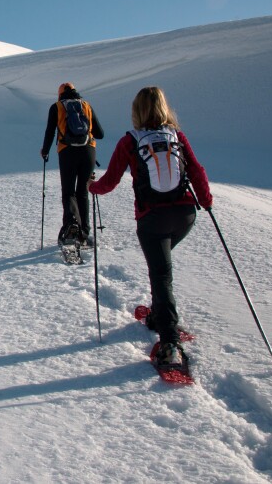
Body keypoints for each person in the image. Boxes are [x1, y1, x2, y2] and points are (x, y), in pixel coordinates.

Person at [88, 86, 213, 367]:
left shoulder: (130, 141)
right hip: (185, 215)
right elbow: (196, 170)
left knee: (161, 273)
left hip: (152, 219)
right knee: (161, 268)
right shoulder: (177, 137)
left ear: (137, 111)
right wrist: (205, 201)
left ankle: (170, 342)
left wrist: (91, 187)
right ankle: (159, 314)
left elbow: (110, 181)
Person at [41, 82, 105, 246]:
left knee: (68, 191)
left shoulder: (57, 107)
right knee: (82, 191)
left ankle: (70, 227)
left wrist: (45, 150)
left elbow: (50, 131)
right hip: (88, 151)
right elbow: (100, 133)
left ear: (60, 94)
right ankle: (84, 232)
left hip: (67, 151)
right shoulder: (86, 105)